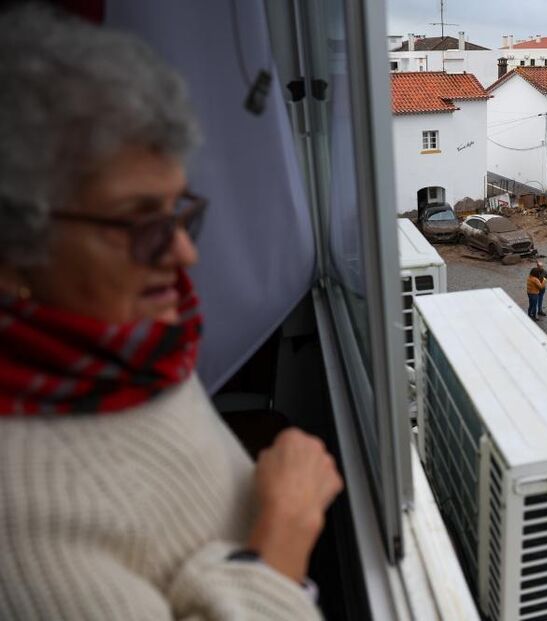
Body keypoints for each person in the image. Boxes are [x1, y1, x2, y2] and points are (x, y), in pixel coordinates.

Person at [0, 7, 341, 619]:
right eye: (138, 221)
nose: (184, 252)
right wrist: (284, 529)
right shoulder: (20, 519)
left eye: (178, 209)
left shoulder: (122, 345)